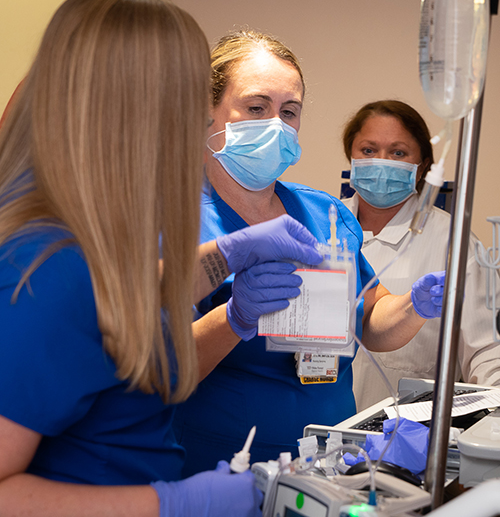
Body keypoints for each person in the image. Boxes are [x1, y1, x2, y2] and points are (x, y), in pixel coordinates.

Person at [0, 0, 326, 515]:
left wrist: (227, 259)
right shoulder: (48, 266)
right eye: (185, 107)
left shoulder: (88, 235)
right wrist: (172, 503)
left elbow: (113, 299)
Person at [173, 30, 445, 478]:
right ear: (206, 110)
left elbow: (369, 320)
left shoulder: (325, 213)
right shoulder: (174, 222)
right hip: (220, 465)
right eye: (257, 107)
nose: (276, 125)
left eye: (290, 111)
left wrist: (414, 306)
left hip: (331, 460)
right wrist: (235, 316)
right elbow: (155, 370)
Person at [341, 99, 500, 411]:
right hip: (321, 424)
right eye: (368, 150)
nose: (381, 162)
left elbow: (487, 351)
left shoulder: (454, 242)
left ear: (423, 165)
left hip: (409, 435)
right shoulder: (324, 229)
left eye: (398, 152)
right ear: (351, 156)